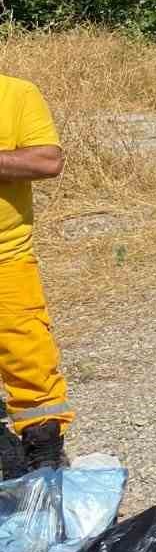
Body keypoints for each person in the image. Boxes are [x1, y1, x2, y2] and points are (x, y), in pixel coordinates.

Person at [0, 75, 71, 473]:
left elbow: (47, 160)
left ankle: (45, 456)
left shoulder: (16, 94)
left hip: (6, 259)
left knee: (29, 362)